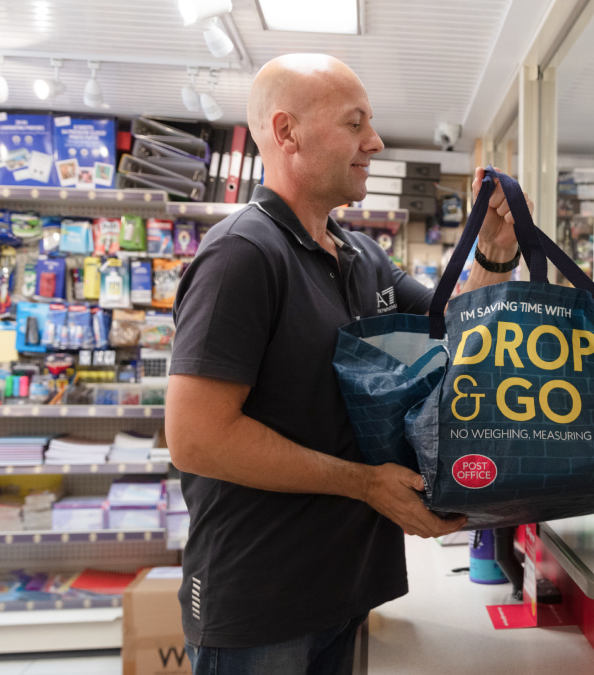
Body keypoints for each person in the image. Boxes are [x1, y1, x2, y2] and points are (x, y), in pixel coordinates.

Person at [166, 53, 526, 674]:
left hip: (342, 589)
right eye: (355, 123)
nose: (375, 141)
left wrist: (493, 255)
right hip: (259, 604)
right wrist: (365, 483)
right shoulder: (241, 257)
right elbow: (196, 438)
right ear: (287, 133)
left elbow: (459, 335)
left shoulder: (361, 256)